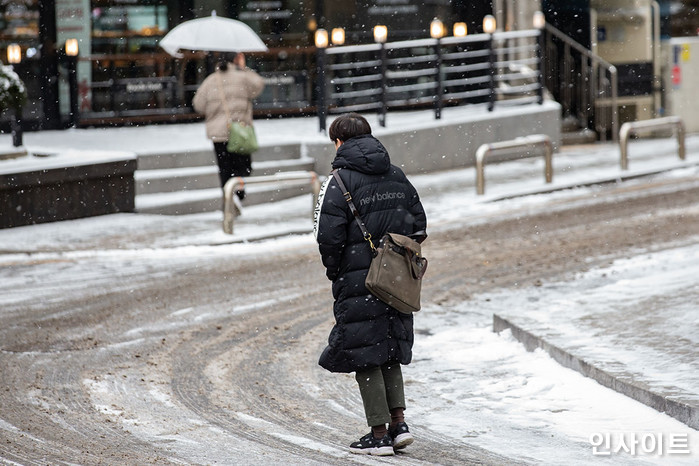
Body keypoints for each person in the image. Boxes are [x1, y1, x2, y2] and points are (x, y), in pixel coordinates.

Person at [313, 113, 427, 456]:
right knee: (389, 346)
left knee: (366, 352)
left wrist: (337, 271)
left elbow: (327, 238)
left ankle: (378, 434)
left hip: (358, 278)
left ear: (338, 142)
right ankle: (398, 423)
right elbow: (418, 225)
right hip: (395, 278)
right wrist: (394, 254)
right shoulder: (396, 174)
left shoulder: (338, 181)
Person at [192, 52, 264, 206]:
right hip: (240, 131)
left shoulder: (211, 80)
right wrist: (244, 68)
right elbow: (258, 86)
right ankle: (239, 194)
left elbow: (198, 105)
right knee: (243, 166)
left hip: (218, 133)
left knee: (224, 168)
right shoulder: (243, 78)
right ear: (235, 60)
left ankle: (228, 201)